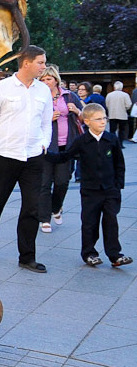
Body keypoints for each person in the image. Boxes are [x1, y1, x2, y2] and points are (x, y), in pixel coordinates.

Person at [0, 46, 52, 273]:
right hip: (5, 155)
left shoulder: (43, 90)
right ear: (26, 63)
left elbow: (46, 122)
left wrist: (44, 143)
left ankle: (27, 256)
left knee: (32, 207)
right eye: (40, 62)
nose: (44, 66)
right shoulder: (1, 88)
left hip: (33, 156)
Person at [47, 104, 131, 268]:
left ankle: (115, 255)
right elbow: (65, 156)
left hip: (110, 190)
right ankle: (89, 253)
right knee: (89, 223)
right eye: (98, 119)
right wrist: (45, 154)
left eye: (104, 118)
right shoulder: (81, 141)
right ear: (87, 121)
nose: (103, 122)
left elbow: (119, 164)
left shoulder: (111, 139)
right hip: (90, 191)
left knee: (111, 221)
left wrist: (118, 186)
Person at [37, 66, 83, 234]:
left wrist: (76, 110)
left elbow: (84, 118)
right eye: (42, 79)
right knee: (44, 184)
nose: (45, 82)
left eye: (48, 79)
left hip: (66, 146)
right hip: (46, 147)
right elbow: (30, 120)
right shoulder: (37, 97)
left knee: (62, 182)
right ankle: (44, 219)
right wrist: (48, 119)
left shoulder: (69, 96)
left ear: (56, 80)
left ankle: (56, 208)